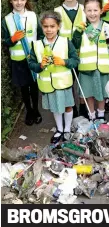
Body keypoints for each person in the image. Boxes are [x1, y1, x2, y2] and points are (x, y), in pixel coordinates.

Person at [28, 11, 78, 143]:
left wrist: (65, 62)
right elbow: (31, 64)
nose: (49, 29)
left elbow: (75, 60)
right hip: (48, 85)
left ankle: (67, 129)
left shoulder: (66, 42)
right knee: (55, 107)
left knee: (67, 106)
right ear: (42, 27)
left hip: (63, 83)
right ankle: (59, 129)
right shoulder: (37, 45)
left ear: (58, 26)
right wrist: (40, 65)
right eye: (45, 26)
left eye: (52, 26)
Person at [2, 0, 43, 126]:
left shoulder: (32, 16)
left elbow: (40, 34)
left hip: (32, 58)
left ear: (26, 0)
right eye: (15, 0)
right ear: (11, 1)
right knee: (24, 87)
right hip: (18, 60)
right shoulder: (6, 20)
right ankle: (29, 111)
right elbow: (5, 41)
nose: (19, 2)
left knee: (34, 85)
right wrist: (12, 39)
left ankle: (36, 110)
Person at [72, 0, 109, 121]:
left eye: (95, 10)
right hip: (87, 68)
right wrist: (77, 34)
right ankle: (91, 114)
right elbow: (75, 45)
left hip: (103, 68)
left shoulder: (107, 28)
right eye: (89, 10)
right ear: (84, 12)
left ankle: (101, 115)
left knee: (102, 94)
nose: (92, 14)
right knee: (89, 93)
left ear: (101, 10)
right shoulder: (81, 28)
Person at [54, 0, 87, 118]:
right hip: (65, 55)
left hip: (83, 53)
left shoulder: (85, 9)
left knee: (83, 81)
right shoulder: (57, 12)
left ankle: (83, 107)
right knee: (68, 82)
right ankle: (71, 109)